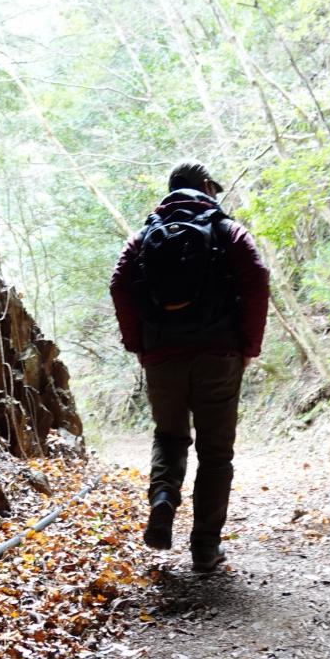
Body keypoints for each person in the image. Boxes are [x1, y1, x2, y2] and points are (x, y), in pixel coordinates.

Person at [109, 161, 270, 572]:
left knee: (169, 437)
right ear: (203, 187)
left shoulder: (143, 236)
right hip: (220, 352)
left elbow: (119, 284)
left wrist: (138, 344)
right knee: (215, 453)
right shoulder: (227, 229)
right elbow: (256, 277)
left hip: (162, 355)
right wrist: (249, 345)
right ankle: (204, 548)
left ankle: (163, 498)